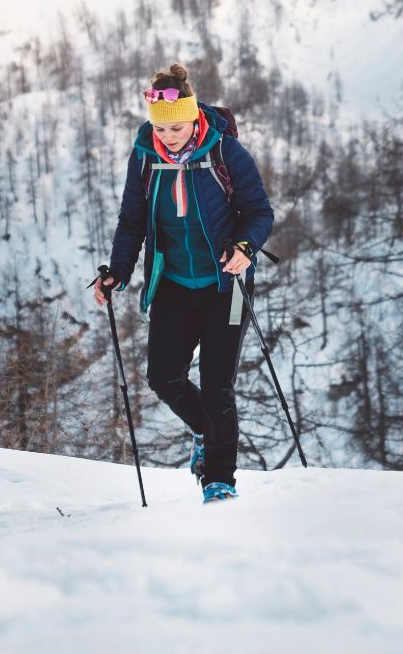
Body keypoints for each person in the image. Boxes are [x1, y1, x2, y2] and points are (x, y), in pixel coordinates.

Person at [94, 62, 274, 504]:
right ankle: (203, 430)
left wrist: (246, 248)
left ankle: (219, 479)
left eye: (177, 127)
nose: (170, 136)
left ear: (193, 116)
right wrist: (118, 271)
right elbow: (131, 222)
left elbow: (260, 212)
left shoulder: (226, 153)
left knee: (218, 387)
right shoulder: (144, 158)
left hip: (225, 284)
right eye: (162, 127)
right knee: (163, 377)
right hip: (173, 283)